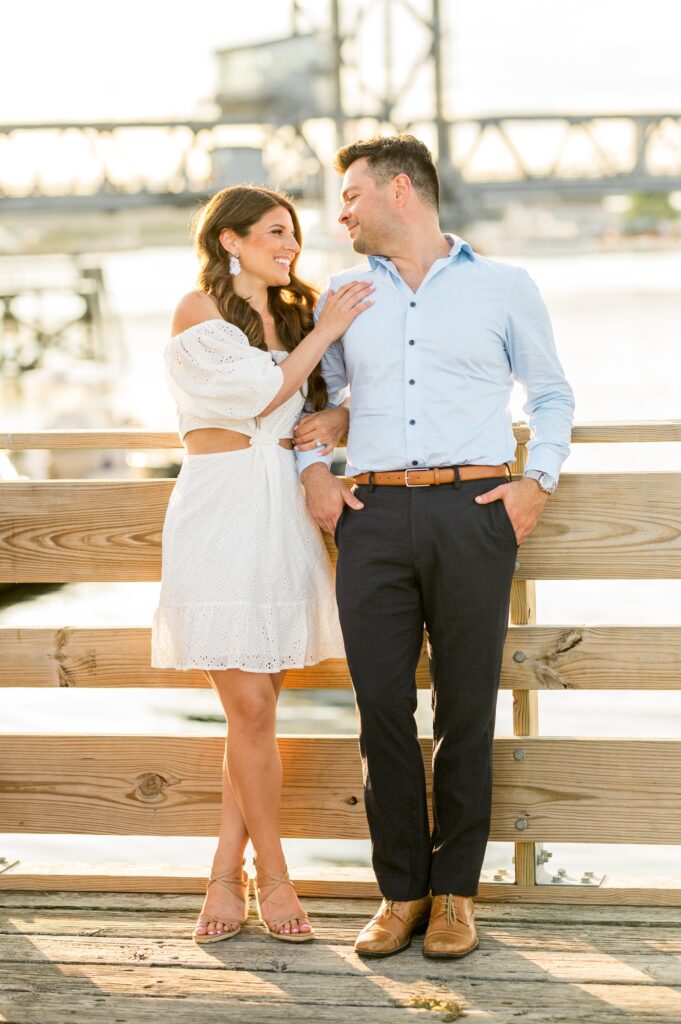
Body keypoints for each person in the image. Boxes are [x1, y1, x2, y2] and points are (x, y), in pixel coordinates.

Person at [294, 135, 575, 959]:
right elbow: (322, 394)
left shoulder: (503, 287)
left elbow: (551, 392)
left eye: (350, 194)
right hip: (372, 517)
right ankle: (399, 893)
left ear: (401, 191)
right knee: (379, 706)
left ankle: (455, 895)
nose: (339, 212)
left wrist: (538, 482)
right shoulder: (343, 293)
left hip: (473, 510)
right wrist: (315, 469)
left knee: (464, 709)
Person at [151, 185, 372, 945]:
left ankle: (223, 871)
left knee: (256, 714)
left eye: (295, 235)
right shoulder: (197, 311)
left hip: (281, 512)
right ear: (230, 241)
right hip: (218, 512)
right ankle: (273, 878)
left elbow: (326, 403)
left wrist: (338, 411)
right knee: (247, 710)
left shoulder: (296, 314)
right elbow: (256, 394)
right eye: (276, 233)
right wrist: (329, 329)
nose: (291, 247)